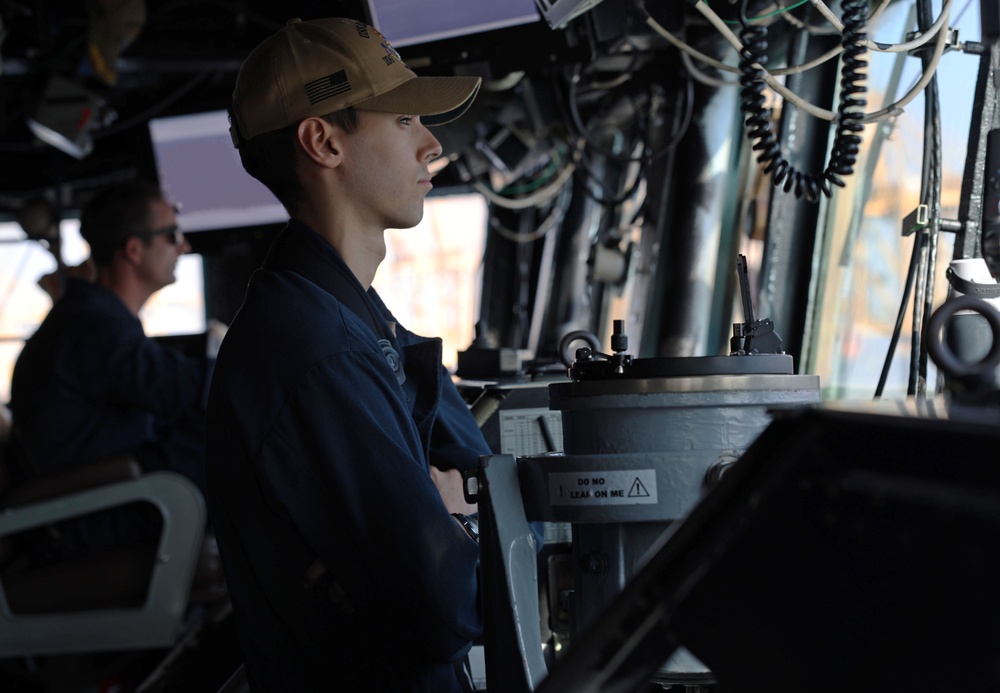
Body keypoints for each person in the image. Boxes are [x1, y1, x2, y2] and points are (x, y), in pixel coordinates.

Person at [205, 17, 488, 693]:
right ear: (324, 141)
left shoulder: (345, 315)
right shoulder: (315, 350)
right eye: (403, 121)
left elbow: (474, 465)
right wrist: (450, 514)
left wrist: (452, 503)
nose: (431, 144)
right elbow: (450, 605)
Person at [8, 179, 215, 554]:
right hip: (98, 512)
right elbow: (181, 389)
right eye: (171, 235)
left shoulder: (91, 317)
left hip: (107, 496)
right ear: (134, 249)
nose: (183, 246)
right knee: (230, 428)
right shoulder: (92, 325)